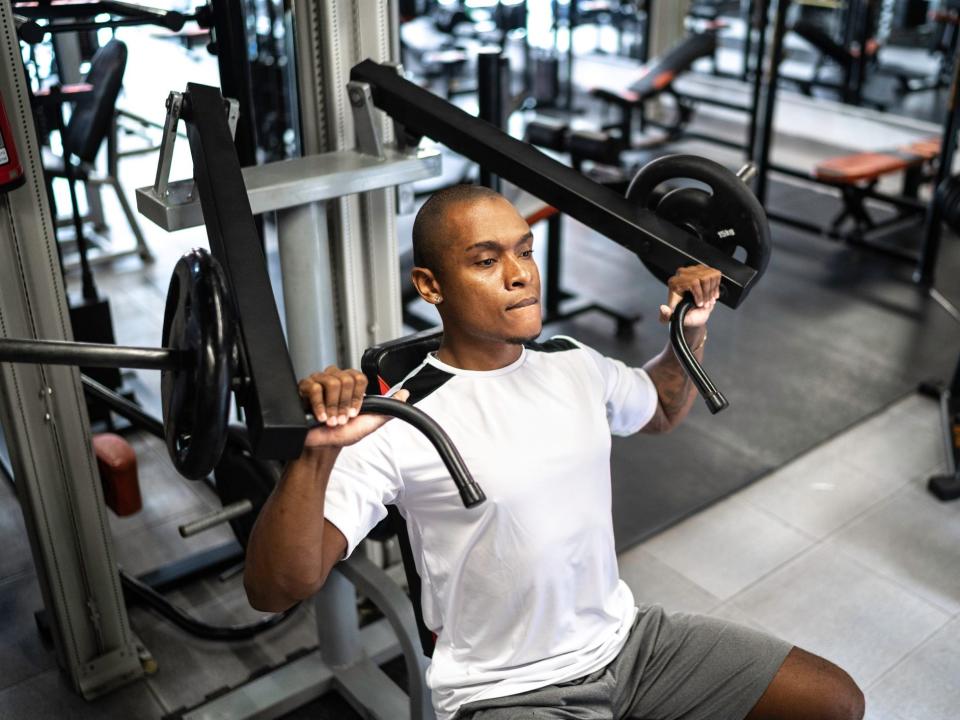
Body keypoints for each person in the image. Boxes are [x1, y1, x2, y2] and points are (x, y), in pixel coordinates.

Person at [244, 185, 865, 720]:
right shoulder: (399, 418)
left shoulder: (572, 361)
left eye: (524, 251)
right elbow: (277, 588)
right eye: (487, 260)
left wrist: (691, 325)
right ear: (431, 285)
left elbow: (663, 407)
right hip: (507, 691)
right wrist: (314, 455)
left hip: (629, 644)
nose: (520, 274)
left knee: (832, 700)